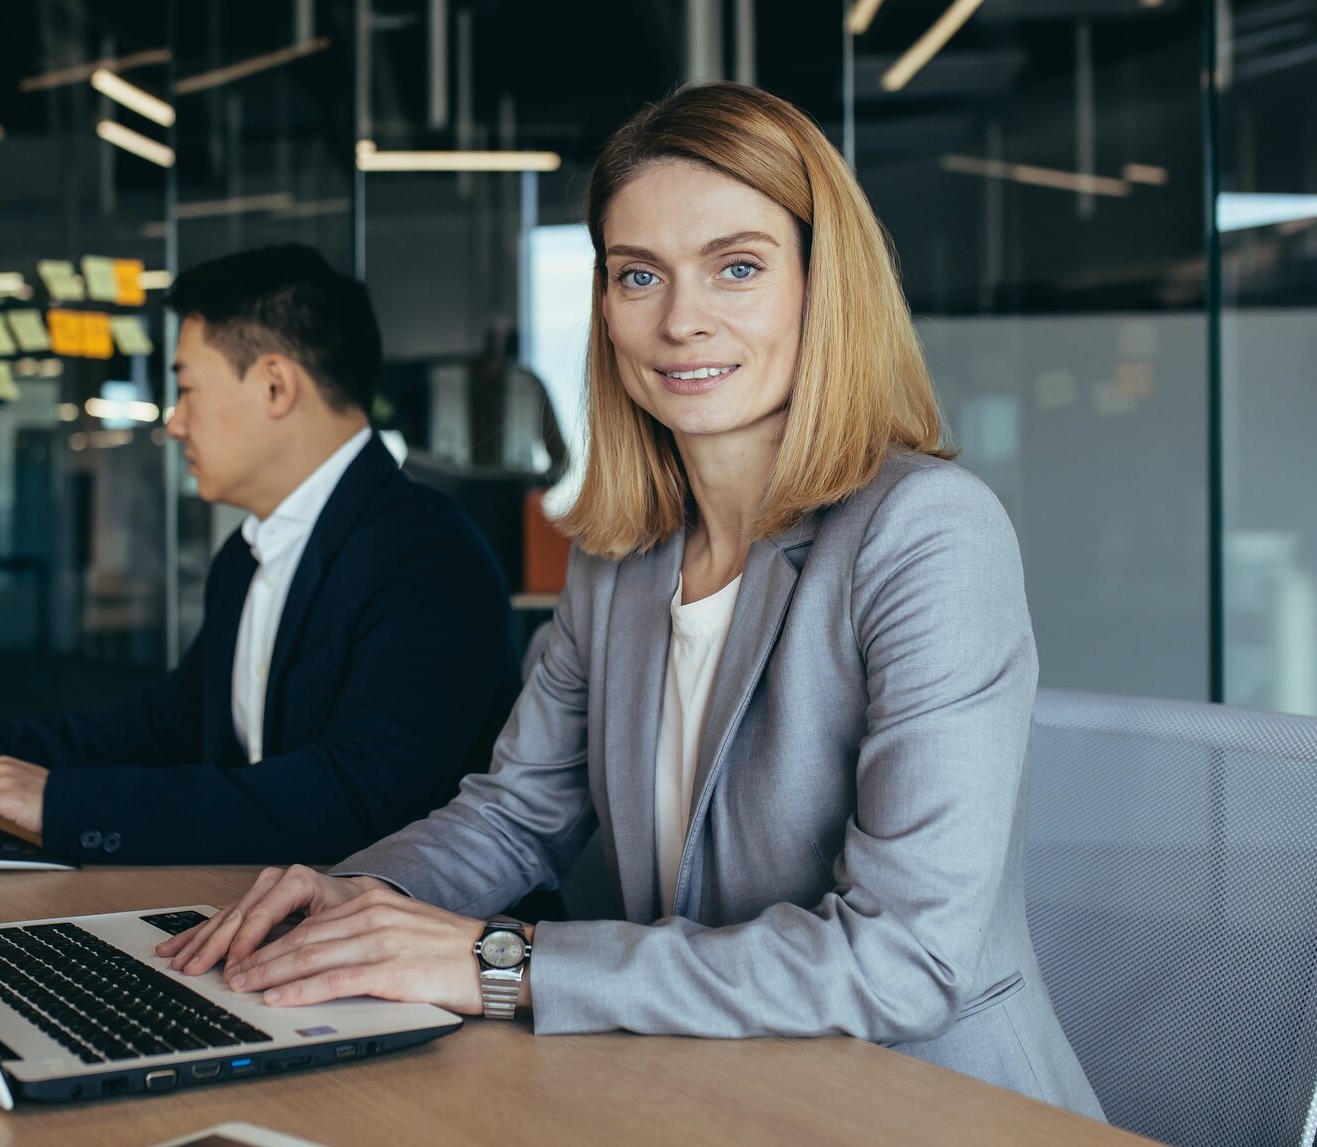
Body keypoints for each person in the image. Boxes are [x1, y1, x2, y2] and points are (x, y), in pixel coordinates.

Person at [156, 84, 1105, 1120]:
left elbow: (904, 959)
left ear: (820, 287)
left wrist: (502, 963)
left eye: (735, 267)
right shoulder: (624, 557)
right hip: (700, 1088)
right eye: (636, 275)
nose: (679, 319)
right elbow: (517, 816)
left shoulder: (923, 533)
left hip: (917, 1105)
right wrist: (355, 895)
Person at [0, 244, 521, 867]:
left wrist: (62, 806)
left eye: (188, 388)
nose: (173, 422)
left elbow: (351, 799)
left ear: (275, 387)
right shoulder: (249, 554)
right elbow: (161, 727)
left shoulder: (428, 557)